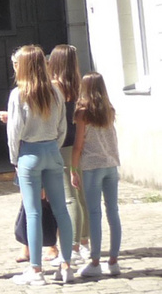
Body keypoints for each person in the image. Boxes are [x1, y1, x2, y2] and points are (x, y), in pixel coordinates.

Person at [0, 44, 73, 285]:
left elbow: (14, 133)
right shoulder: (56, 92)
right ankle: (67, 264)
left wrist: (15, 160)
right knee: (61, 209)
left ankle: (36, 270)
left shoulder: (18, 94)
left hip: (29, 153)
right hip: (52, 150)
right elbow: (63, 127)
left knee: (33, 212)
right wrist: (53, 145)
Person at [71, 72, 122, 278]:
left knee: (94, 213)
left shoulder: (83, 112)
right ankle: (114, 260)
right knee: (113, 212)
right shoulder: (109, 110)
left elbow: (78, 145)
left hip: (92, 167)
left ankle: (95, 261)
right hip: (111, 165)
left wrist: (74, 169)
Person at [49, 44, 88, 265]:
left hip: (62, 144)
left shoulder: (56, 87)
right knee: (80, 196)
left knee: (69, 197)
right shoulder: (78, 85)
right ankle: (84, 242)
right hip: (78, 143)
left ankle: (72, 246)